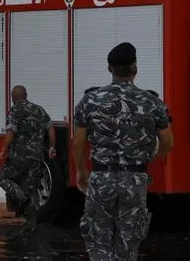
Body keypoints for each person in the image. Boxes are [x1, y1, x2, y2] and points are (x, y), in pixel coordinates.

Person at [72, 42, 174, 261]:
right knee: (128, 242)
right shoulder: (152, 102)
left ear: (110, 69)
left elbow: (78, 142)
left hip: (101, 177)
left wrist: (81, 171)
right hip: (135, 179)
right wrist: (147, 158)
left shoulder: (90, 101)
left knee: (99, 240)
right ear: (135, 68)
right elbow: (167, 143)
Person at [0, 84, 56, 227]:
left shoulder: (15, 110)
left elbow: (11, 132)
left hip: (20, 156)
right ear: (26, 95)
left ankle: (21, 198)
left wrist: (4, 149)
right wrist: (52, 146)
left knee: (2, 177)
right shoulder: (39, 110)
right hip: (37, 157)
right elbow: (50, 129)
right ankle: (32, 223)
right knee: (33, 187)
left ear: (14, 97)